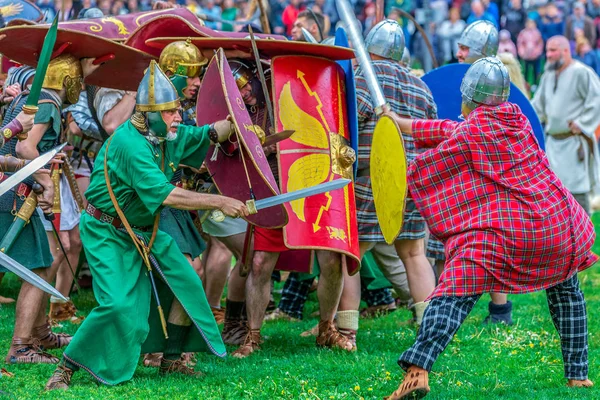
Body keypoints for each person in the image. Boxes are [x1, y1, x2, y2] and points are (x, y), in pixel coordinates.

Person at [385, 57, 597, 400]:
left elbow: (431, 165)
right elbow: (450, 129)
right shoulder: (517, 119)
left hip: (513, 232)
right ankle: (577, 375)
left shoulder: (472, 132)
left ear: (468, 95)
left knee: (453, 291)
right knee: (567, 290)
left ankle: (418, 370)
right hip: (559, 221)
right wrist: (401, 124)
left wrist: (388, 166)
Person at [44, 60, 248, 390]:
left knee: (188, 283)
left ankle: (170, 360)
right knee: (118, 306)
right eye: (170, 111)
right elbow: (166, 194)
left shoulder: (164, 134)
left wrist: (237, 125)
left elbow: (207, 134)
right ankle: (66, 367)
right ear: (147, 112)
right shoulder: (131, 144)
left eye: (177, 110)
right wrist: (220, 201)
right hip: (107, 233)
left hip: (144, 232)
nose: (177, 117)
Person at [338, 19, 437, 343]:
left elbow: (349, 118)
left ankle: (346, 331)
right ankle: (431, 329)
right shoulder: (420, 86)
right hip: (413, 181)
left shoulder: (367, 76)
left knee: (351, 254)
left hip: (372, 179)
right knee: (413, 254)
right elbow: (429, 135)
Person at [2, 56, 98, 365]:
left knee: (43, 260)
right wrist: (45, 182)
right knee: (39, 268)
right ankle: (20, 348)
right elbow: (24, 148)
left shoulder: (34, 98)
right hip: (14, 193)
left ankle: (41, 333)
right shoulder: (48, 104)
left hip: (15, 188)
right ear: (68, 82)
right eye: (78, 81)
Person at [532, 35, 600, 214]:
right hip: (553, 144)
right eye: (547, 50)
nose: (548, 54)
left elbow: (597, 99)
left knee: (577, 190)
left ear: (566, 51)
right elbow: (537, 106)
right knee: (555, 191)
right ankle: (563, 236)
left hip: (574, 143)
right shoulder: (548, 76)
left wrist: (583, 123)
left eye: (553, 50)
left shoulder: (581, 72)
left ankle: (584, 236)